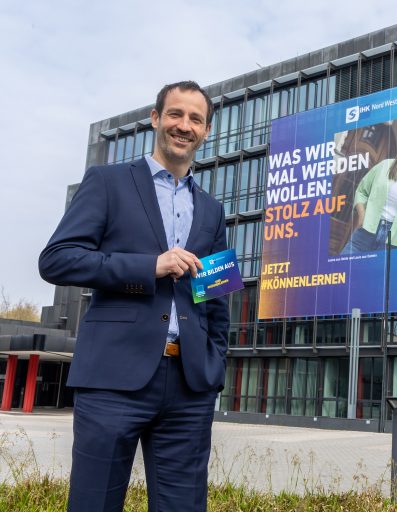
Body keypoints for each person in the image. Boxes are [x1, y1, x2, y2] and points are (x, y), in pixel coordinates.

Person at [39, 81, 229, 512]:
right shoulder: (108, 182)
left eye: (195, 119)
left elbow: (217, 295)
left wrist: (214, 364)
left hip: (190, 385)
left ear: (207, 130)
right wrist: (149, 266)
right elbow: (57, 259)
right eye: (176, 115)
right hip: (113, 379)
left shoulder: (213, 209)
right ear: (156, 119)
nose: (185, 126)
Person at [343, 118, 397, 252]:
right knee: (343, 270)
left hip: (392, 243)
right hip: (365, 233)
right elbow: (362, 191)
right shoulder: (385, 166)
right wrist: (362, 216)